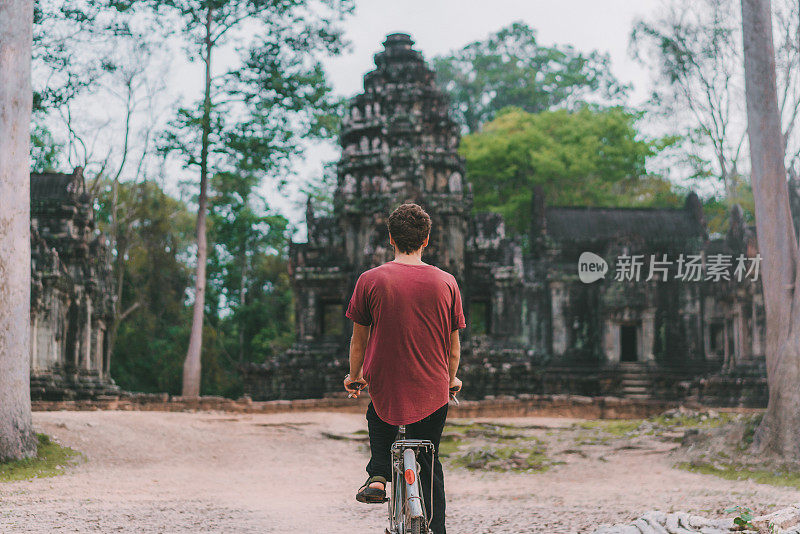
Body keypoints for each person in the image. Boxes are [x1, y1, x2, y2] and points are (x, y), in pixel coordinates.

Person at [343, 202, 465, 534]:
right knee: (430, 460)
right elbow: (453, 347)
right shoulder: (447, 283)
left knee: (377, 417)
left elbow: (358, 342)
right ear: (427, 239)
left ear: (390, 239)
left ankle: (379, 475)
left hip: (385, 384)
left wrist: (355, 377)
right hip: (433, 387)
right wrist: (451, 378)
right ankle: (435, 529)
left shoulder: (370, 280)